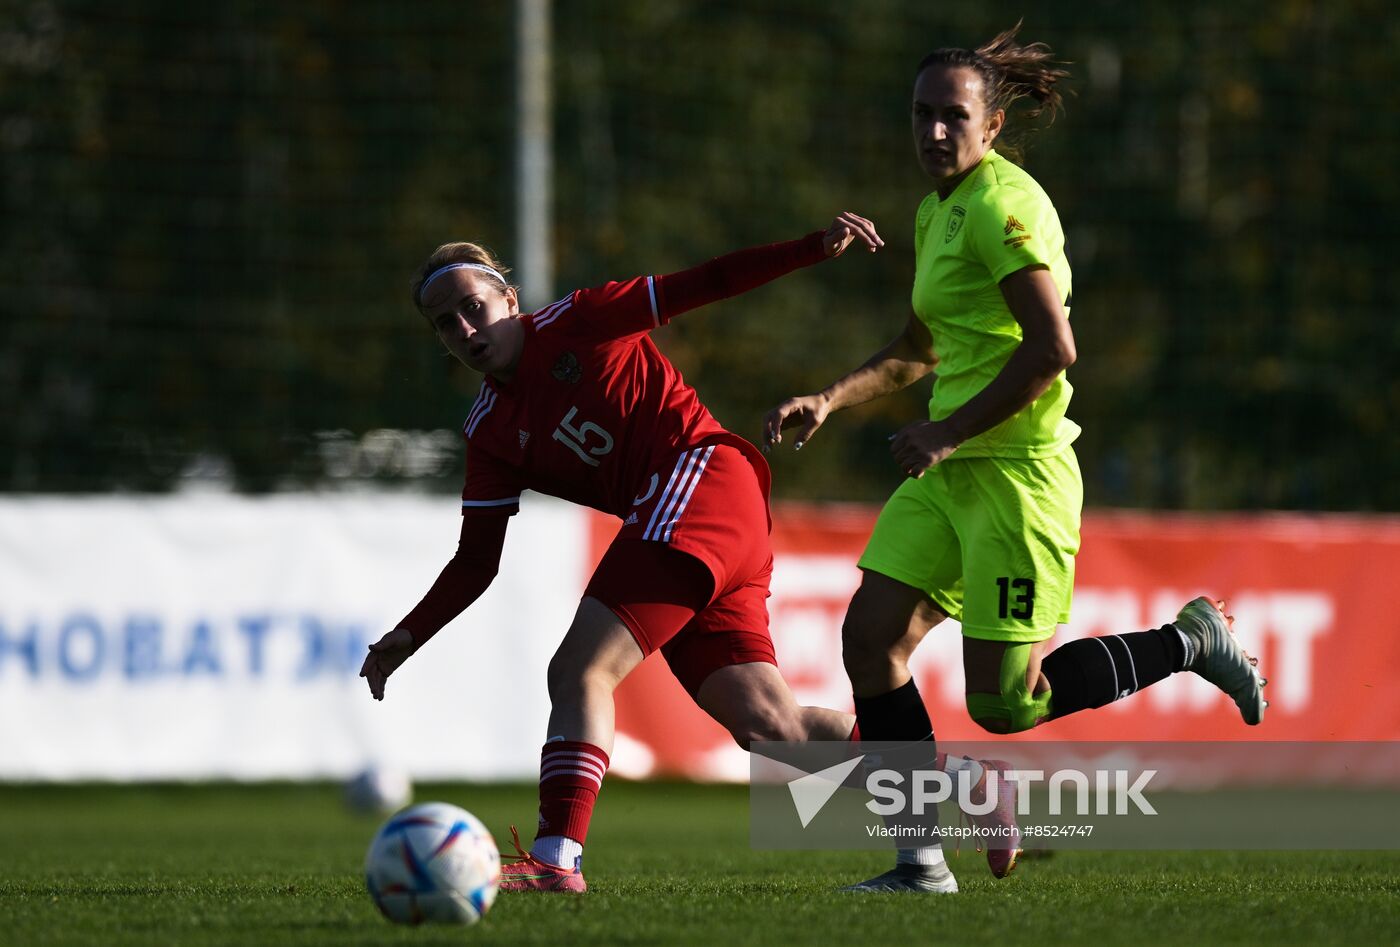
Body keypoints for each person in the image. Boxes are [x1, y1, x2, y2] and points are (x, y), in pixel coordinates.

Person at [764, 24, 1268, 893]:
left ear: (992, 126)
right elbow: (920, 348)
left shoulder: (1003, 206)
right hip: (950, 471)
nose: (931, 132)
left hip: (1016, 476)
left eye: (951, 117)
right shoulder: (935, 210)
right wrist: (832, 397)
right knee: (870, 640)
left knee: (1008, 703)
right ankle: (919, 863)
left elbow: (1053, 349)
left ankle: (1190, 640)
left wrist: (948, 430)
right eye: (920, 114)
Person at [359, 214, 885, 893]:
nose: (464, 329)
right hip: (698, 517)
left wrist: (811, 248)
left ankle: (557, 855)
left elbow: (708, 281)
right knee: (771, 730)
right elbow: (475, 561)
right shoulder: (489, 430)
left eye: (473, 307)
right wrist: (409, 633)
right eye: (445, 324)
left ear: (509, 301)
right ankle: (971, 787)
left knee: (580, 667)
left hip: (703, 479)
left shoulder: (581, 319)